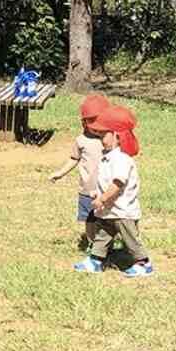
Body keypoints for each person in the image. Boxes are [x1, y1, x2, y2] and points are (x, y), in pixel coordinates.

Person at [73, 105, 152, 278]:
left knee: (130, 239)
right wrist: (97, 193)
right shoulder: (109, 156)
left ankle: (143, 263)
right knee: (102, 236)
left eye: (103, 135)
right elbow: (106, 181)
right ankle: (96, 260)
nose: (100, 138)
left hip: (122, 211)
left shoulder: (121, 159)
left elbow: (117, 183)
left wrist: (102, 199)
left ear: (116, 136)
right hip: (109, 211)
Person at [49, 94, 111, 266]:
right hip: (87, 190)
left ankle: (107, 245)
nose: (96, 126)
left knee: (107, 219)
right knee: (90, 220)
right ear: (83, 122)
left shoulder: (110, 139)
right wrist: (60, 173)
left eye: (99, 120)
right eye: (91, 121)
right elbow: (73, 159)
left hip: (106, 189)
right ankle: (93, 244)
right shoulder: (81, 140)